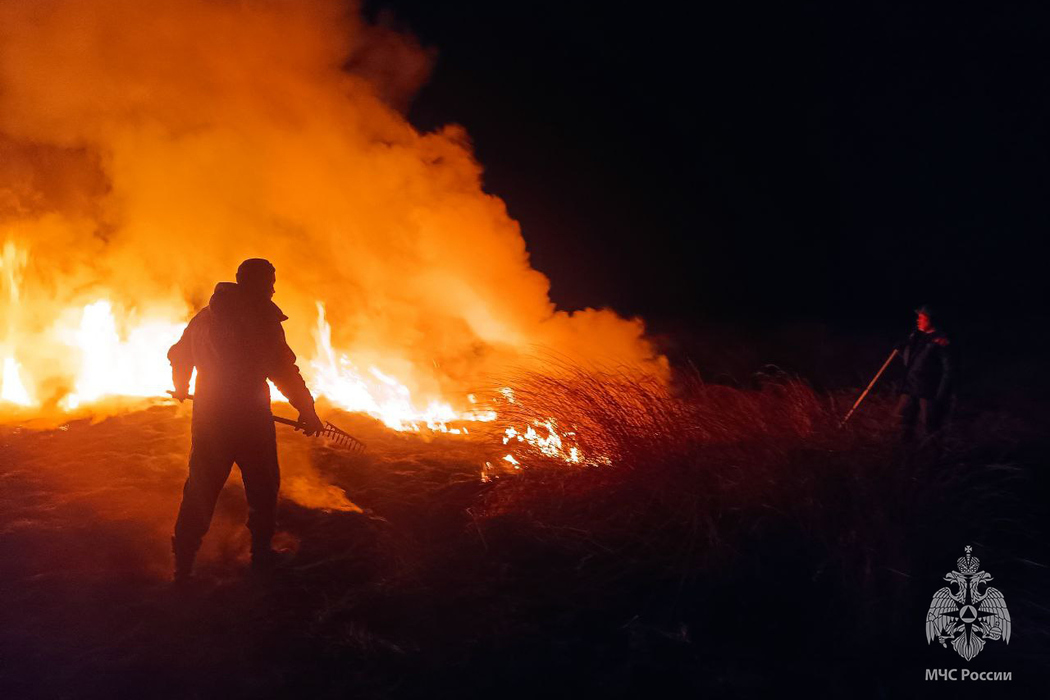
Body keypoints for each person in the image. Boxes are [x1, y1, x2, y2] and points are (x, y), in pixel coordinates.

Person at [167, 258, 324, 582]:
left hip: (209, 416)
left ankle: (183, 565)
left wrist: (182, 385)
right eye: (270, 283)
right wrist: (306, 411)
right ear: (255, 284)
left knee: (201, 488)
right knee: (263, 487)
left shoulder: (206, 316)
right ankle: (261, 556)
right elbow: (283, 370)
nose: (273, 290)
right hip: (250, 418)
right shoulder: (261, 320)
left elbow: (180, 354)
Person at [895, 304, 953, 443]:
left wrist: (940, 394)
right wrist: (902, 347)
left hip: (927, 391)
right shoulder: (916, 336)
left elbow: (948, 370)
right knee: (901, 419)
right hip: (910, 386)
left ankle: (929, 452)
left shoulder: (941, 341)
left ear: (931, 320)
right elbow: (912, 360)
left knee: (928, 425)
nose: (918, 320)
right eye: (918, 318)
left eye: (922, 318)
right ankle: (902, 448)